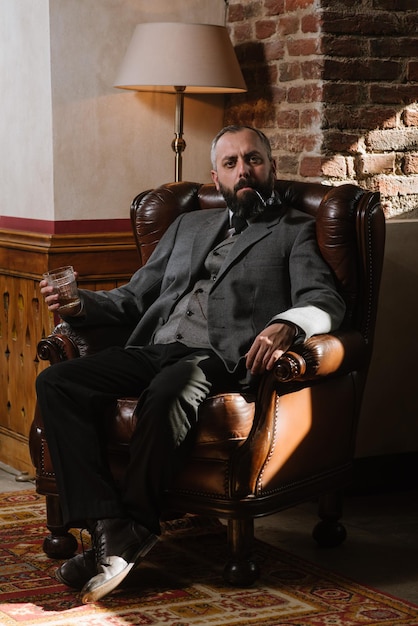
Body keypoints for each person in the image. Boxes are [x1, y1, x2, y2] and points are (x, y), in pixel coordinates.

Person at [36, 125, 346, 603]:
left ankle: (133, 524)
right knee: (58, 382)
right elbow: (134, 297)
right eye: (231, 163)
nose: (244, 170)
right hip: (154, 348)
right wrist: (78, 305)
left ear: (272, 168)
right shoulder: (187, 226)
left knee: (171, 389)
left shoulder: (294, 232)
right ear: (216, 177)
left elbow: (324, 299)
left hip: (218, 356)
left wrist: (289, 324)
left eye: (254, 160)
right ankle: (110, 525)